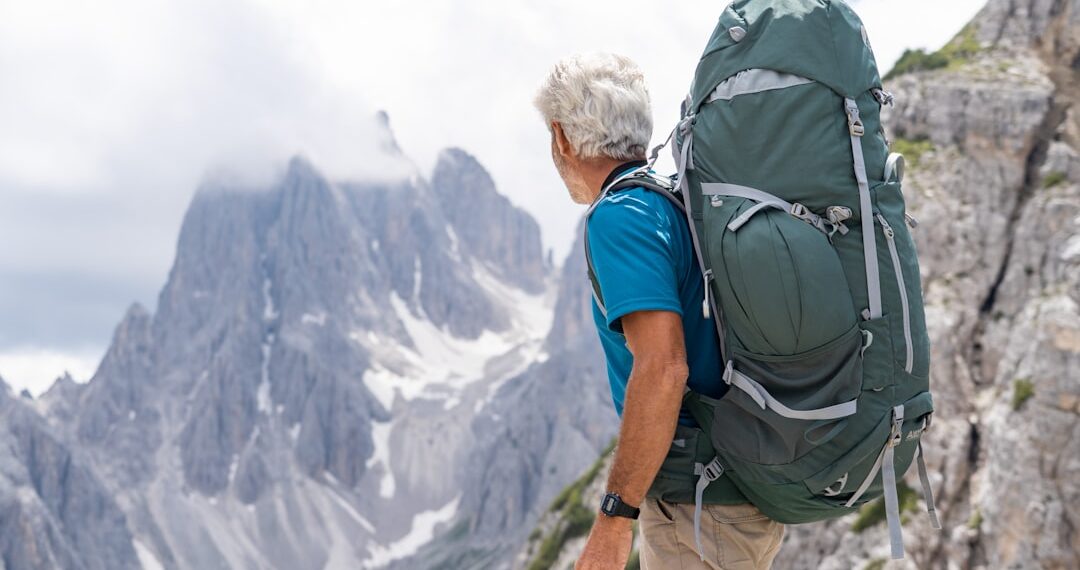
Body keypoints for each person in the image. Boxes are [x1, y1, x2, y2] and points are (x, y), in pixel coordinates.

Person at [534, 53, 785, 570]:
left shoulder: (618, 218)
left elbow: (663, 367)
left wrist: (612, 519)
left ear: (561, 138)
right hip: (736, 490)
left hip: (699, 506)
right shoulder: (671, 201)